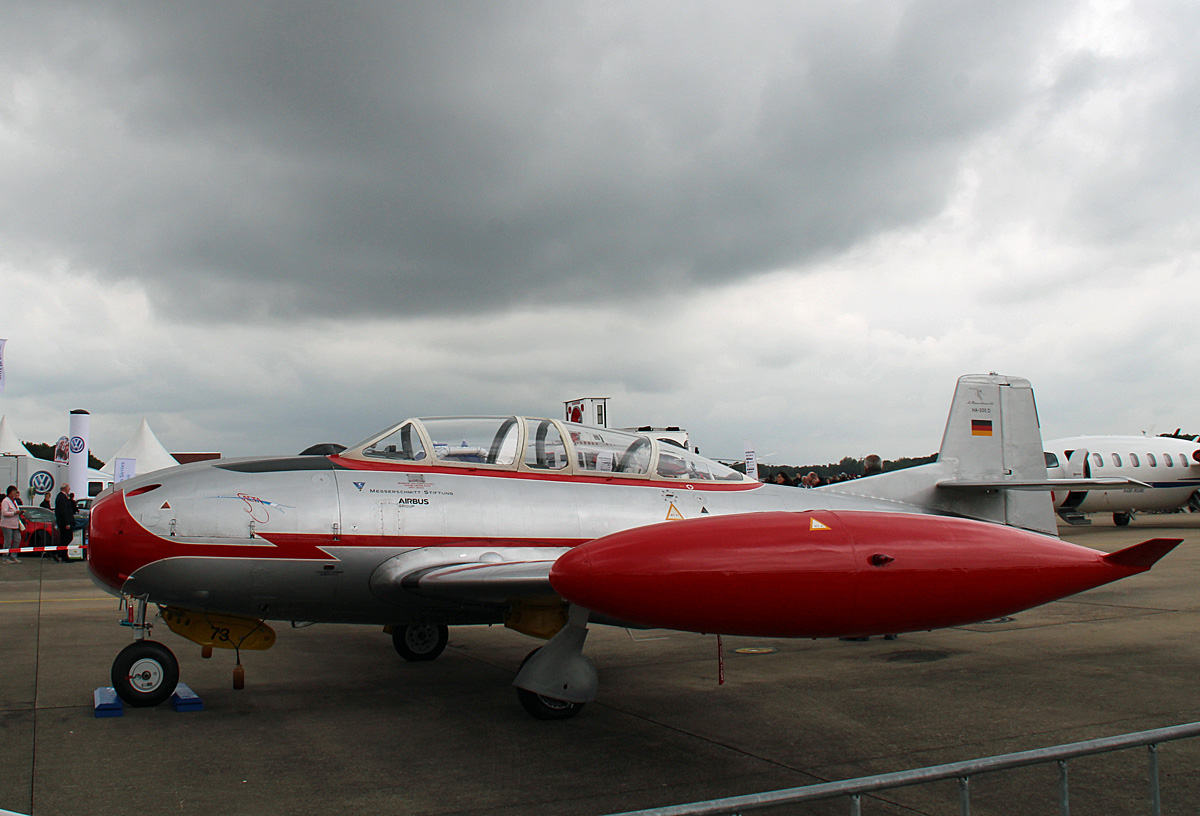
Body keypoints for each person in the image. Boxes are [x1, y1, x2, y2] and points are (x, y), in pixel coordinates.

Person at [54, 483, 77, 563]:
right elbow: (63, 511)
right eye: (68, 489)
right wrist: (67, 523)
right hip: (65, 523)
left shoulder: (63, 497)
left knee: (65, 539)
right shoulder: (61, 498)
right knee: (67, 538)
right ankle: (59, 553)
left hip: (65, 522)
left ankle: (61, 554)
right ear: (65, 489)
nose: (69, 490)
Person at [1, 485, 21, 563]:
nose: (15, 493)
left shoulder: (14, 501)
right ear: (10, 492)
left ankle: (13, 556)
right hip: (7, 524)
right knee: (8, 541)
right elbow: (4, 512)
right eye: (14, 491)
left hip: (15, 524)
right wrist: (14, 513)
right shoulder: (5, 501)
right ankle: (5, 557)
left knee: (17, 539)